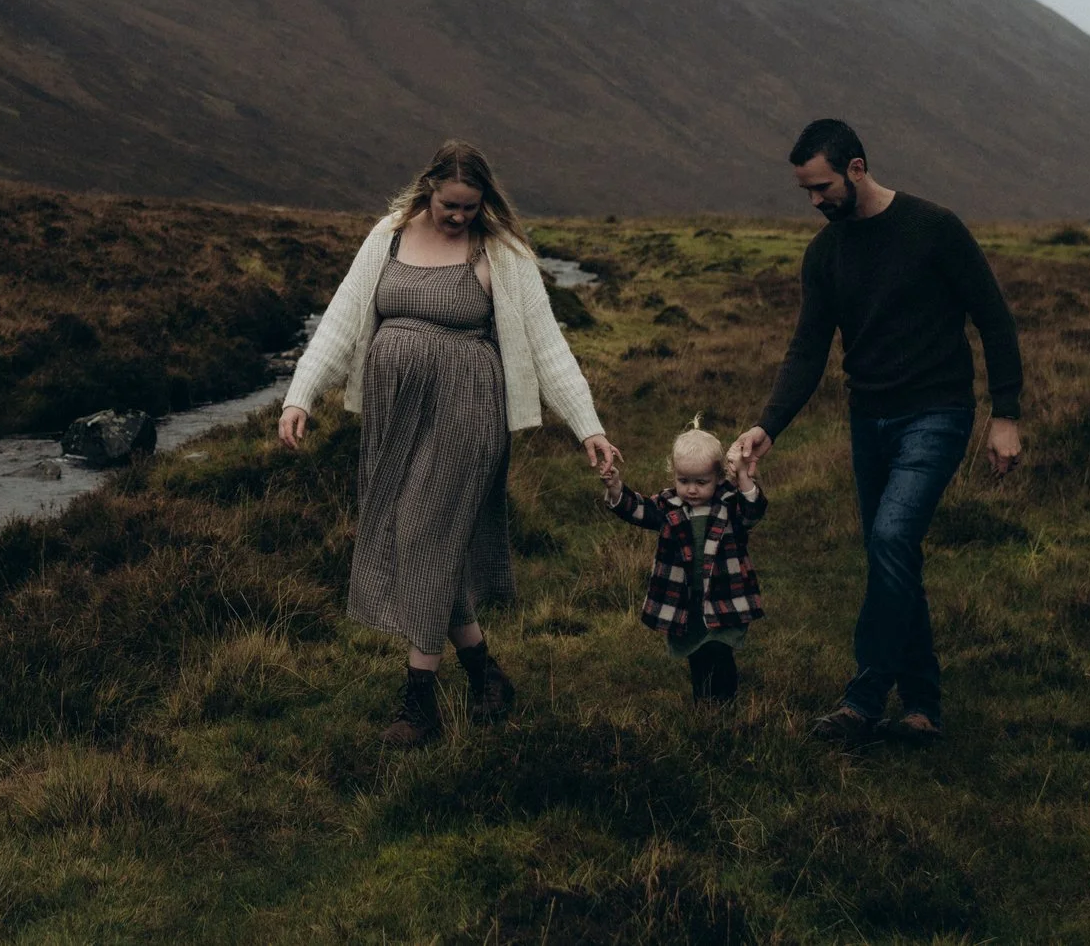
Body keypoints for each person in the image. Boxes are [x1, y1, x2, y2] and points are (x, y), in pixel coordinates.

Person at [278, 139, 619, 747]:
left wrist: (587, 426)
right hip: (396, 414)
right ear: (427, 190)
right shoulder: (388, 236)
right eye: (449, 205)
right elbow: (343, 315)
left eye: (470, 206)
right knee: (427, 542)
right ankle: (486, 674)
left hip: (468, 409)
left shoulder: (502, 252)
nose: (458, 216)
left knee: (421, 531)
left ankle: (419, 705)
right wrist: (301, 393)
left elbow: (547, 346)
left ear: (485, 201)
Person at [726, 118, 1024, 743]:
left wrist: (1005, 414)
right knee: (894, 553)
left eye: (823, 186)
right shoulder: (826, 253)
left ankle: (864, 699)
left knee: (890, 537)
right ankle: (921, 706)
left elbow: (993, 317)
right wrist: (767, 426)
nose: (815, 202)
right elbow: (807, 350)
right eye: (805, 190)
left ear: (857, 168)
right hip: (870, 419)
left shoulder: (934, 229)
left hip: (938, 413)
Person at [602, 421, 765, 703]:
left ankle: (725, 703)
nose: (691, 490)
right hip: (686, 598)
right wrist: (617, 488)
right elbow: (639, 510)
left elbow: (753, 512)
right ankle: (703, 706)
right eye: (683, 481)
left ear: (718, 477)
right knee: (697, 654)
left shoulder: (728, 503)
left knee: (720, 650)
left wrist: (742, 474)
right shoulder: (668, 506)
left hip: (724, 595)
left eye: (701, 482)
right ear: (673, 475)